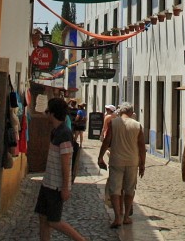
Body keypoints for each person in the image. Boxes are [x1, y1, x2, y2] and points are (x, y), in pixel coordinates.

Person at [33, 97, 86, 241]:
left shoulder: (64, 134)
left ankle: (81, 240)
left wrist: (65, 187)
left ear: (52, 113)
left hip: (56, 186)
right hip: (47, 183)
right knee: (43, 218)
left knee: (53, 221)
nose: (46, 114)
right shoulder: (56, 131)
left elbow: (66, 162)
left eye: (47, 111)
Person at [97, 101, 145, 228]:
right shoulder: (137, 125)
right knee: (129, 189)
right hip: (132, 162)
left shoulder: (113, 123)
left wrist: (100, 157)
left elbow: (107, 141)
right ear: (131, 112)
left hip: (116, 160)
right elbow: (141, 147)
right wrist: (142, 164)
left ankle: (117, 217)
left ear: (121, 111)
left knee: (115, 189)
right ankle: (126, 217)